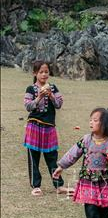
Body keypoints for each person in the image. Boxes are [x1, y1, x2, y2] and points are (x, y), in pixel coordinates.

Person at [53, 107, 108, 218]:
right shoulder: (86, 139)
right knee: (90, 204)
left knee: (105, 208)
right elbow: (73, 153)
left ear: (104, 124)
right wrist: (61, 166)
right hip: (88, 179)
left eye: (95, 120)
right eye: (90, 120)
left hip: (105, 180)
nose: (91, 122)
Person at [23, 60, 70, 196]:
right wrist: (38, 98)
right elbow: (28, 106)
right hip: (34, 127)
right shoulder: (30, 89)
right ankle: (36, 186)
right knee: (34, 157)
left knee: (52, 157)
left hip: (49, 127)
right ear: (35, 73)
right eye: (41, 72)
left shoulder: (53, 88)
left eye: (46, 72)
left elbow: (59, 104)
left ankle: (58, 185)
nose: (44, 74)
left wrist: (51, 95)